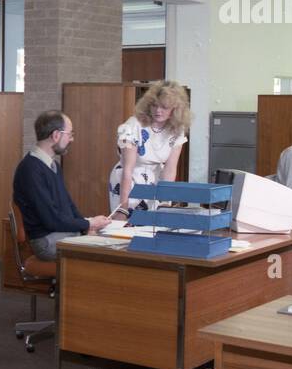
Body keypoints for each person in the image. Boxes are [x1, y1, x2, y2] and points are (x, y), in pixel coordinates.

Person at [12, 110, 111, 260]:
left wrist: (88, 226)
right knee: (103, 255)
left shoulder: (54, 166)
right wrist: (87, 223)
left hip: (60, 233)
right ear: (56, 135)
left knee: (108, 244)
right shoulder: (30, 169)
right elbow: (51, 219)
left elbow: (68, 206)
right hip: (46, 241)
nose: (71, 139)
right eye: (70, 134)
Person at [109, 80, 191, 217]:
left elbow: (170, 170)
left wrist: (165, 202)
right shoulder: (133, 126)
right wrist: (122, 207)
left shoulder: (177, 130)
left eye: (164, 107)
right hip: (128, 180)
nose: (158, 111)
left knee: (151, 226)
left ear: (175, 109)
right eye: (154, 105)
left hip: (154, 179)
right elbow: (127, 169)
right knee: (126, 224)